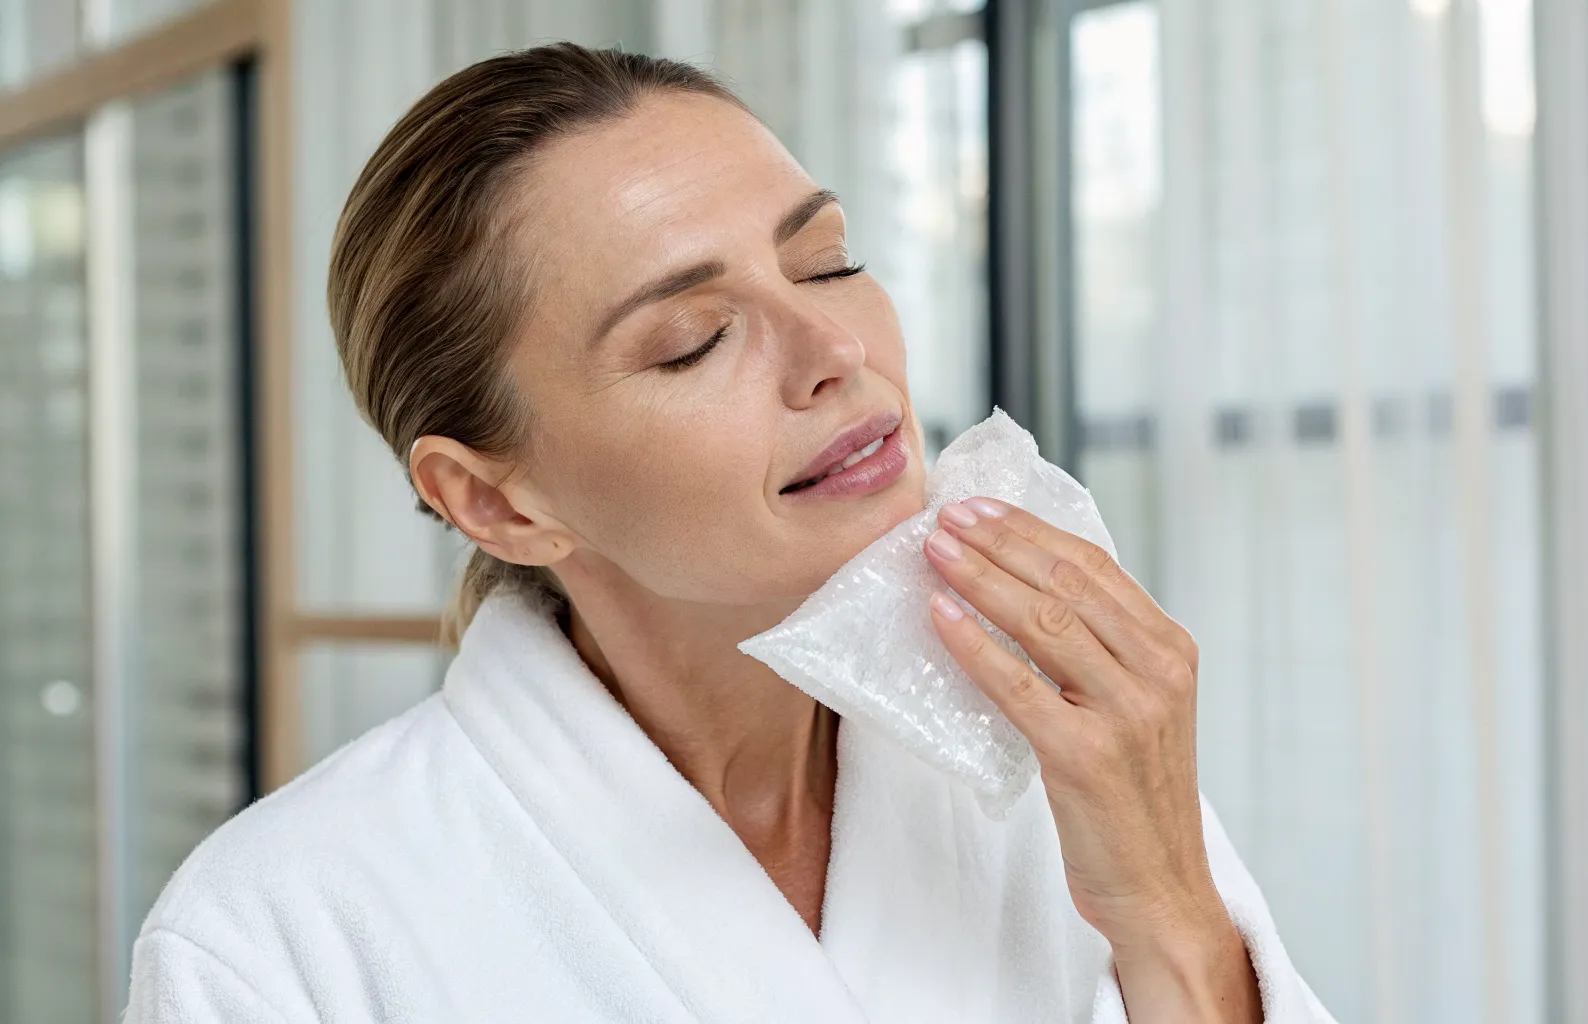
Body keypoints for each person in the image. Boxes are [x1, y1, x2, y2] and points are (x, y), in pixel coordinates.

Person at [125, 43, 1329, 1023]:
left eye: (824, 263)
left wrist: (1169, 906)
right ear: (496, 500)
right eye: (693, 338)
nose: (836, 353)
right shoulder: (279, 931)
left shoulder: (1045, 765)